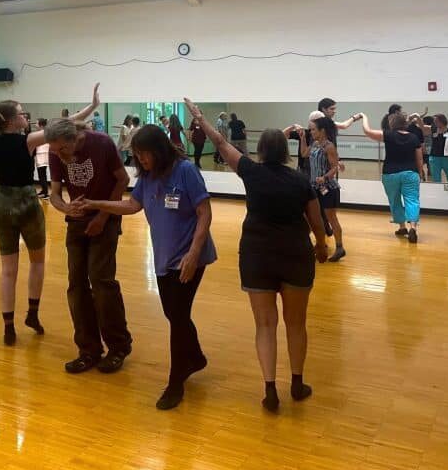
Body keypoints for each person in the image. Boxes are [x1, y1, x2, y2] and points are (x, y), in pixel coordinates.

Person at [185, 98, 327, 413]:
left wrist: (200, 117)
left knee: (265, 325)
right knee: (296, 324)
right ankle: (297, 383)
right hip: (295, 255)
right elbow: (317, 223)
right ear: (286, 152)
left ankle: (270, 390)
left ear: (260, 150)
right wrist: (321, 245)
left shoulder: (251, 171)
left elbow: (220, 142)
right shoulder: (301, 181)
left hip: (257, 255)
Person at [75, 124, 216, 410]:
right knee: (174, 314)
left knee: (177, 317)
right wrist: (94, 203)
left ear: (159, 150)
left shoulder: (185, 171)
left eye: (144, 154)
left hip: (189, 257)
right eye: (137, 155)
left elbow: (204, 212)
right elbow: (131, 206)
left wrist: (193, 253)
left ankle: (176, 382)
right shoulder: (149, 176)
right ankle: (196, 357)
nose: (141, 160)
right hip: (164, 257)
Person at [0, 88, 101, 347]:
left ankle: (8, 328)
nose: (26, 116)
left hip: (2, 203)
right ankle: (32, 315)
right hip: (26, 202)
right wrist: (91, 107)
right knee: (37, 262)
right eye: (22, 113)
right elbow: (65, 126)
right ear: (13, 120)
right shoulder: (26, 140)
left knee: (7, 270)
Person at [47, 107, 134, 376]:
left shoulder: (102, 143)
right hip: (77, 222)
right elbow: (55, 193)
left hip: (106, 218)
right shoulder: (55, 152)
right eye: (56, 150)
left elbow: (123, 179)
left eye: (62, 149)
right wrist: (64, 208)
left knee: (101, 281)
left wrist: (103, 216)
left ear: (73, 138)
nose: (59, 155)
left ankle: (118, 346)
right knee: (76, 284)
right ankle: (88, 349)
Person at [361, 112, 424, 242]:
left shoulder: (388, 135)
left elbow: (367, 131)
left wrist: (364, 117)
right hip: (410, 174)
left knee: (394, 201)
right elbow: (419, 158)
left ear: (392, 123)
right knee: (412, 200)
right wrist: (420, 173)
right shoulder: (414, 138)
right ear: (405, 124)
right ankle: (413, 227)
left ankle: (402, 227)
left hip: (390, 174)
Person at [298, 116, 345, 262]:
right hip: (314, 187)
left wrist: (324, 177)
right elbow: (304, 153)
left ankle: (339, 247)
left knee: (331, 218)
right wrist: (302, 139)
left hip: (327, 188)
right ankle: (319, 244)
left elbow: (335, 167)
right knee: (312, 217)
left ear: (322, 130)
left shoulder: (329, 146)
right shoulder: (315, 143)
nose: (310, 132)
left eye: (313, 129)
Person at [428, 114, 448, 184]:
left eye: (436, 121)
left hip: (447, 158)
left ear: (442, 121)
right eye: (434, 121)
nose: (435, 122)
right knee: (436, 180)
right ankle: (438, 193)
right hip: (434, 157)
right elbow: (422, 126)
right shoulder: (433, 129)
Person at [35, 119, 50, 198]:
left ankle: (45, 193)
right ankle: (44, 191)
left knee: (42, 175)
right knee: (42, 175)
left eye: (37, 123)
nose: (35, 125)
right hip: (42, 155)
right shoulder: (44, 132)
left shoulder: (42, 133)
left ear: (41, 125)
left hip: (41, 155)